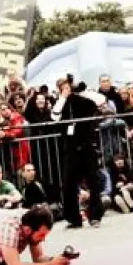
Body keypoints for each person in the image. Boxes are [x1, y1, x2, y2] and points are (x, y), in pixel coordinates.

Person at [51, 76, 107, 228]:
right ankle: (73, 218)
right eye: (63, 87)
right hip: (70, 149)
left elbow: (101, 100)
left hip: (87, 146)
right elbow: (54, 116)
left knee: (93, 182)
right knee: (69, 183)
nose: (68, 90)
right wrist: (63, 96)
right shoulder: (60, 103)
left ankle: (95, 215)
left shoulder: (84, 99)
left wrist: (81, 91)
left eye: (68, 87)